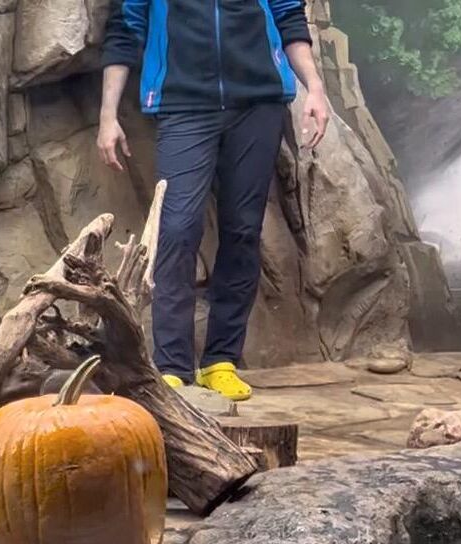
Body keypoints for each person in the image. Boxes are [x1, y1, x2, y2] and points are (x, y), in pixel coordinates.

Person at [97, 0, 332, 401]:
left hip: (258, 103)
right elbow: (126, 28)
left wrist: (316, 89)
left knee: (242, 229)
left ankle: (221, 360)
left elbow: (289, 17)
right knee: (177, 228)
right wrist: (108, 115)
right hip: (183, 104)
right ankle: (172, 364)